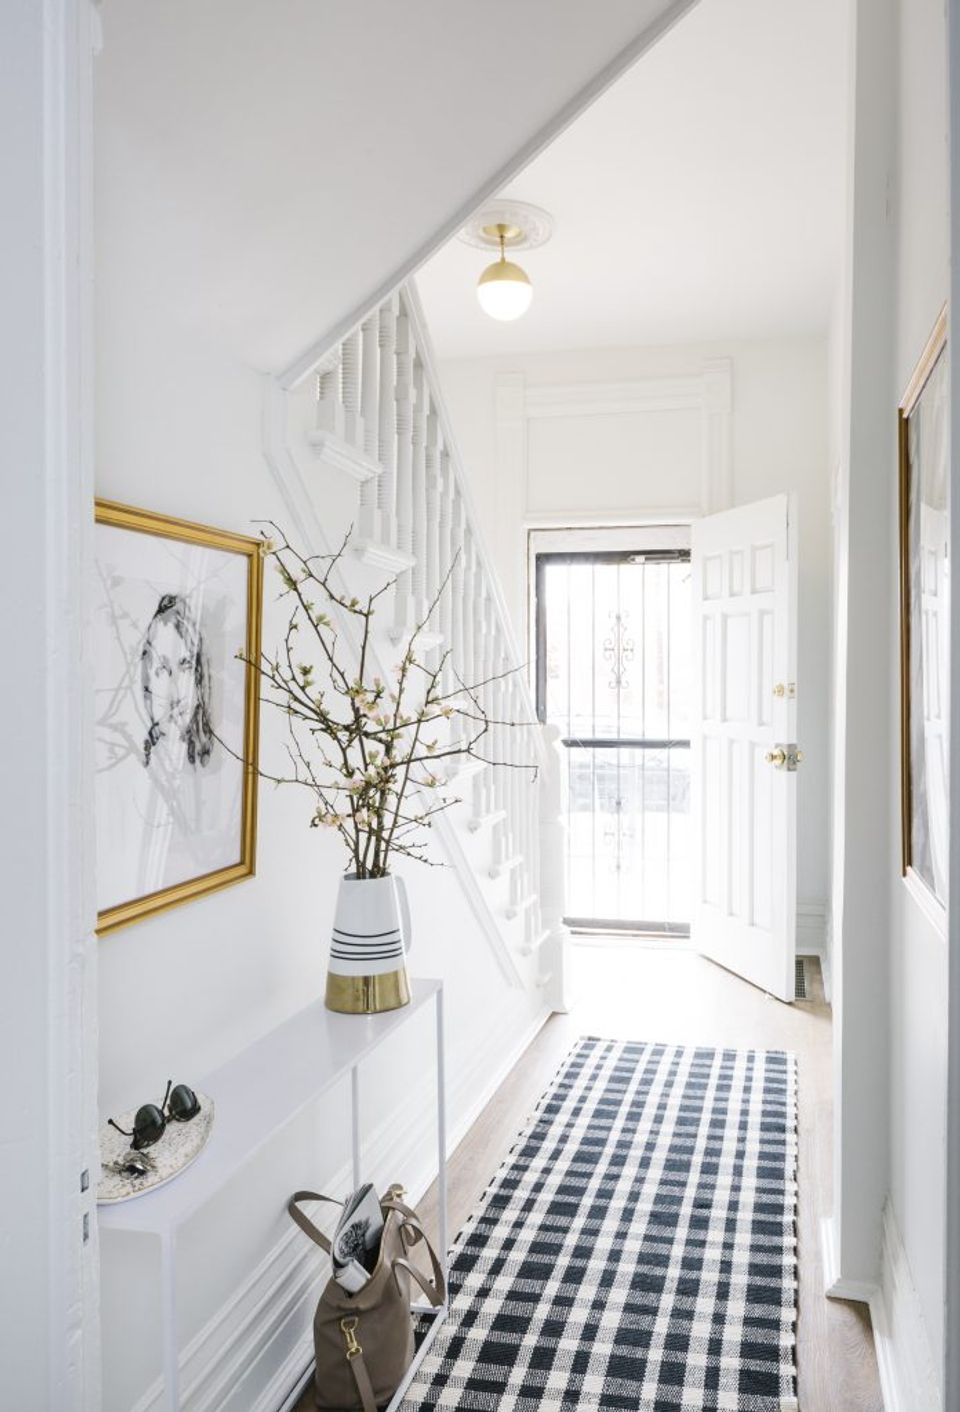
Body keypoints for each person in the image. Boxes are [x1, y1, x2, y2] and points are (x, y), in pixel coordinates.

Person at [140, 592, 215, 769]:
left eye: (185, 667)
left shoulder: (200, 758)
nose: (175, 688)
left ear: (197, 677)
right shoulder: (141, 755)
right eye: (163, 670)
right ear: (147, 683)